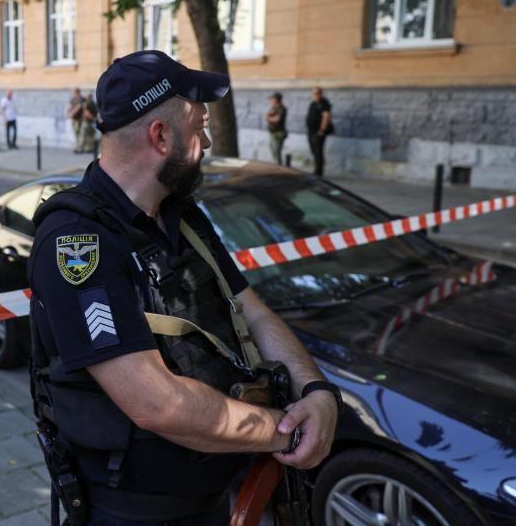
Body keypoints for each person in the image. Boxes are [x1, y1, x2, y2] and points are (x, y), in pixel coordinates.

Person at [29, 50, 341, 525]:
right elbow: (157, 404)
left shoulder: (183, 217)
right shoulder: (77, 241)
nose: (209, 140)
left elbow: (250, 310)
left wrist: (316, 390)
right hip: (135, 515)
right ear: (161, 136)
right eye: (200, 127)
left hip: (214, 494)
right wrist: (286, 431)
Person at [306, 87, 333, 176]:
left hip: (318, 131)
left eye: (317, 93)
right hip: (311, 130)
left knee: (318, 151)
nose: (315, 95)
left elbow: (326, 117)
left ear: (320, 94)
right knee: (313, 149)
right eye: (313, 93)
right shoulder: (313, 103)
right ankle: (317, 167)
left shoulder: (324, 103)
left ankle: (318, 171)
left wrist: (322, 130)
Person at [265, 92, 287, 165]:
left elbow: (277, 119)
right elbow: (266, 116)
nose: (271, 101)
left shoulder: (282, 108)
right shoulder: (273, 108)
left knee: (276, 151)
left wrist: (269, 118)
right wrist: (269, 117)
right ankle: (277, 165)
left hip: (278, 133)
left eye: (273, 99)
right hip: (272, 133)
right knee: (272, 150)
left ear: (277, 100)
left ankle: (279, 167)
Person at [67, 88, 85, 153]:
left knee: (80, 133)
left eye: (75, 92)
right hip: (74, 119)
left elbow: (79, 107)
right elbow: (69, 106)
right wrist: (68, 113)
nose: (74, 94)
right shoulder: (73, 99)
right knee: (76, 133)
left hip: (80, 118)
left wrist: (71, 113)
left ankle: (80, 148)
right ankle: (78, 146)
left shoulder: (81, 99)